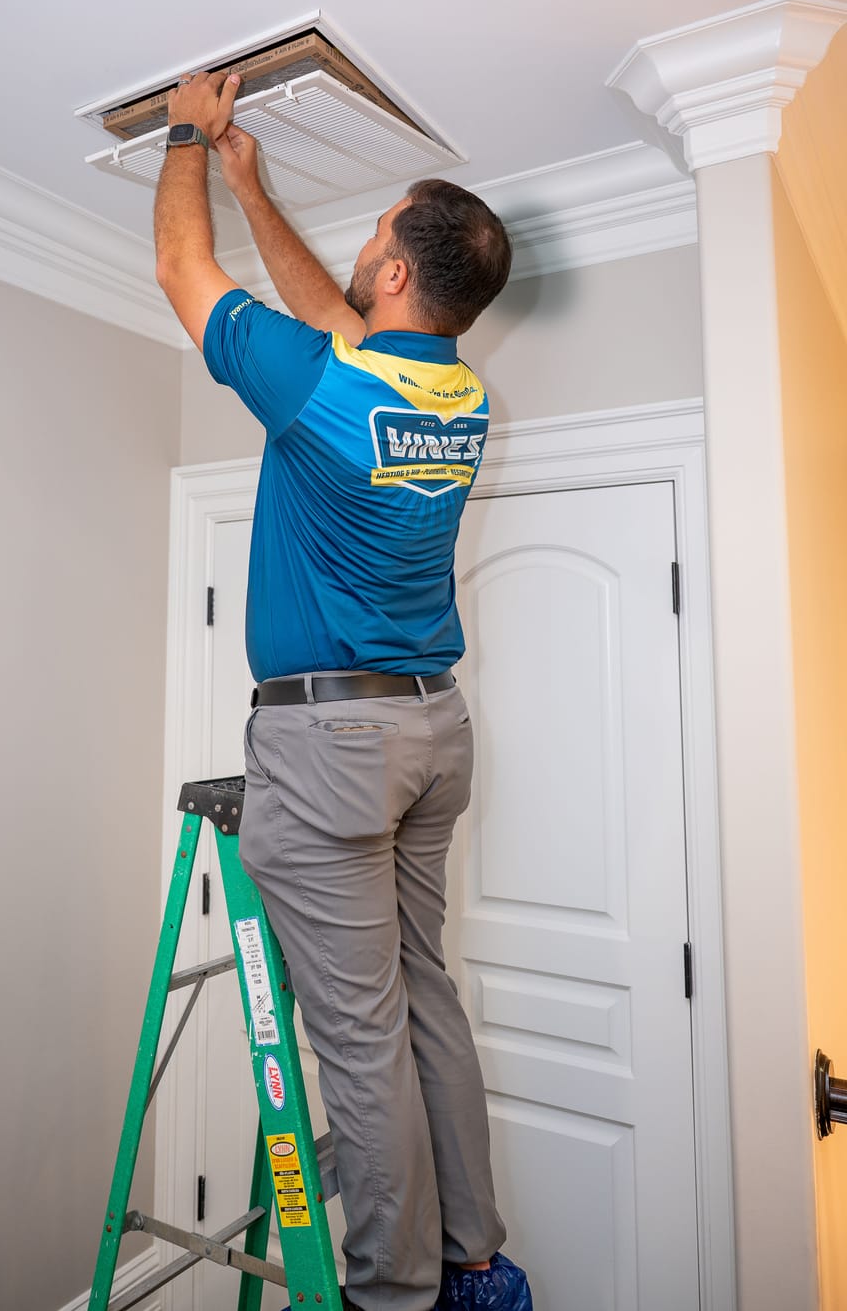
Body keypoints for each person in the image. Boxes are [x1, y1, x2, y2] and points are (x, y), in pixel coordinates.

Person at [154, 70, 531, 1311]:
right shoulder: (455, 397)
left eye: (376, 231)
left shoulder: (326, 386)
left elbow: (182, 274)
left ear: (393, 276)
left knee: (359, 1046)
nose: (363, 242)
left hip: (336, 744)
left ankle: (394, 1296)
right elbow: (340, 316)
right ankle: (474, 1256)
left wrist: (188, 136)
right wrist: (261, 183)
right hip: (432, 731)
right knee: (424, 997)